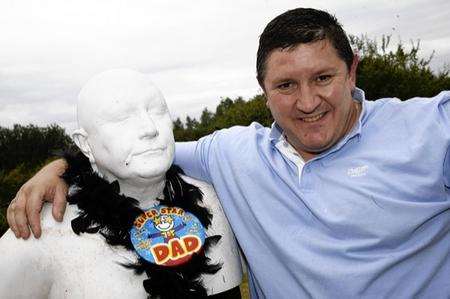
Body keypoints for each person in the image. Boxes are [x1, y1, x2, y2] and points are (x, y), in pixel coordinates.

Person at [6, 7, 450, 298]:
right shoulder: (236, 154)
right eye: (285, 85)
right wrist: (63, 165)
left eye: (323, 77)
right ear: (263, 91)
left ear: (352, 69)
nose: (308, 102)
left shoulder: (432, 129)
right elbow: (137, 155)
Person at [0, 69, 242, 298]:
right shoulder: (37, 239)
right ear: (85, 144)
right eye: (121, 119)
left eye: (157, 110)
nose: (149, 129)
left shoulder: (223, 202)